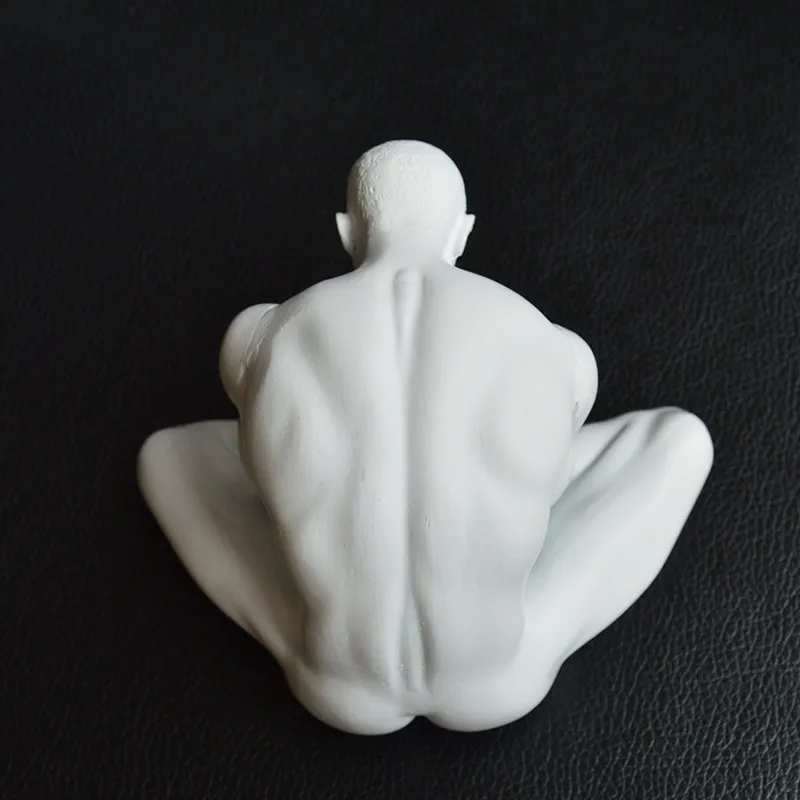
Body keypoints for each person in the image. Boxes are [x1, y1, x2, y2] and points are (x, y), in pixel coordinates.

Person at [139, 140, 713, 734]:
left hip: (334, 684)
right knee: (679, 439)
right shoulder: (553, 345)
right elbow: (550, 465)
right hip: (498, 678)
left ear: (346, 231)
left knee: (167, 454)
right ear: (462, 232)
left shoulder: (259, 336)